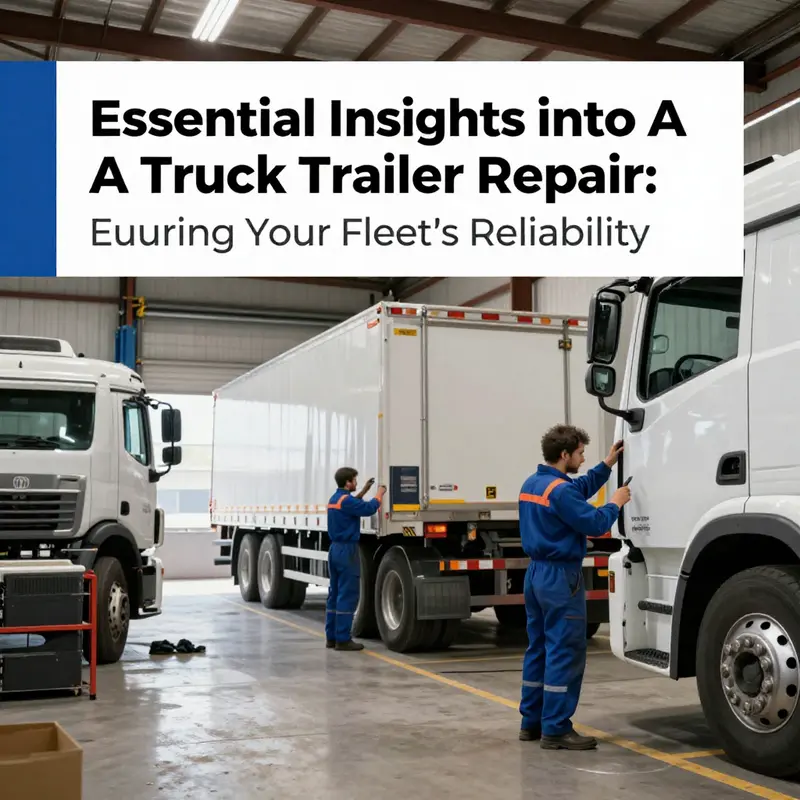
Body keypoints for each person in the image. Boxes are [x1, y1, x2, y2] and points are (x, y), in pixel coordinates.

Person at [517, 424, 631, 750]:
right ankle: (556, 729)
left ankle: (532, 723)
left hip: (535, 575)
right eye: (580, 453)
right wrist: (616, 502)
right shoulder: (561, 491)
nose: (582, 459)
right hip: (560, 578)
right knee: (564, 652)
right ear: (564, 454)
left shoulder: (534, 484)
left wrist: (607, 465)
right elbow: (594, 523)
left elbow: (577, 487)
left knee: (538, 648)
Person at [325, 467, 386, 652]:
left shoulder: (335, 499)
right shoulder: (347, 501)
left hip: (334, 549)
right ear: (348, 482)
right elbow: (369, 508)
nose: (356, 483)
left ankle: (332, 637)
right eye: (355, 480)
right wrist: (379, 494)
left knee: (334, 594)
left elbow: (351, 505)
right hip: (347, 551)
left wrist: (364, 491)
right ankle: (343, 639)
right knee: (348, 594)